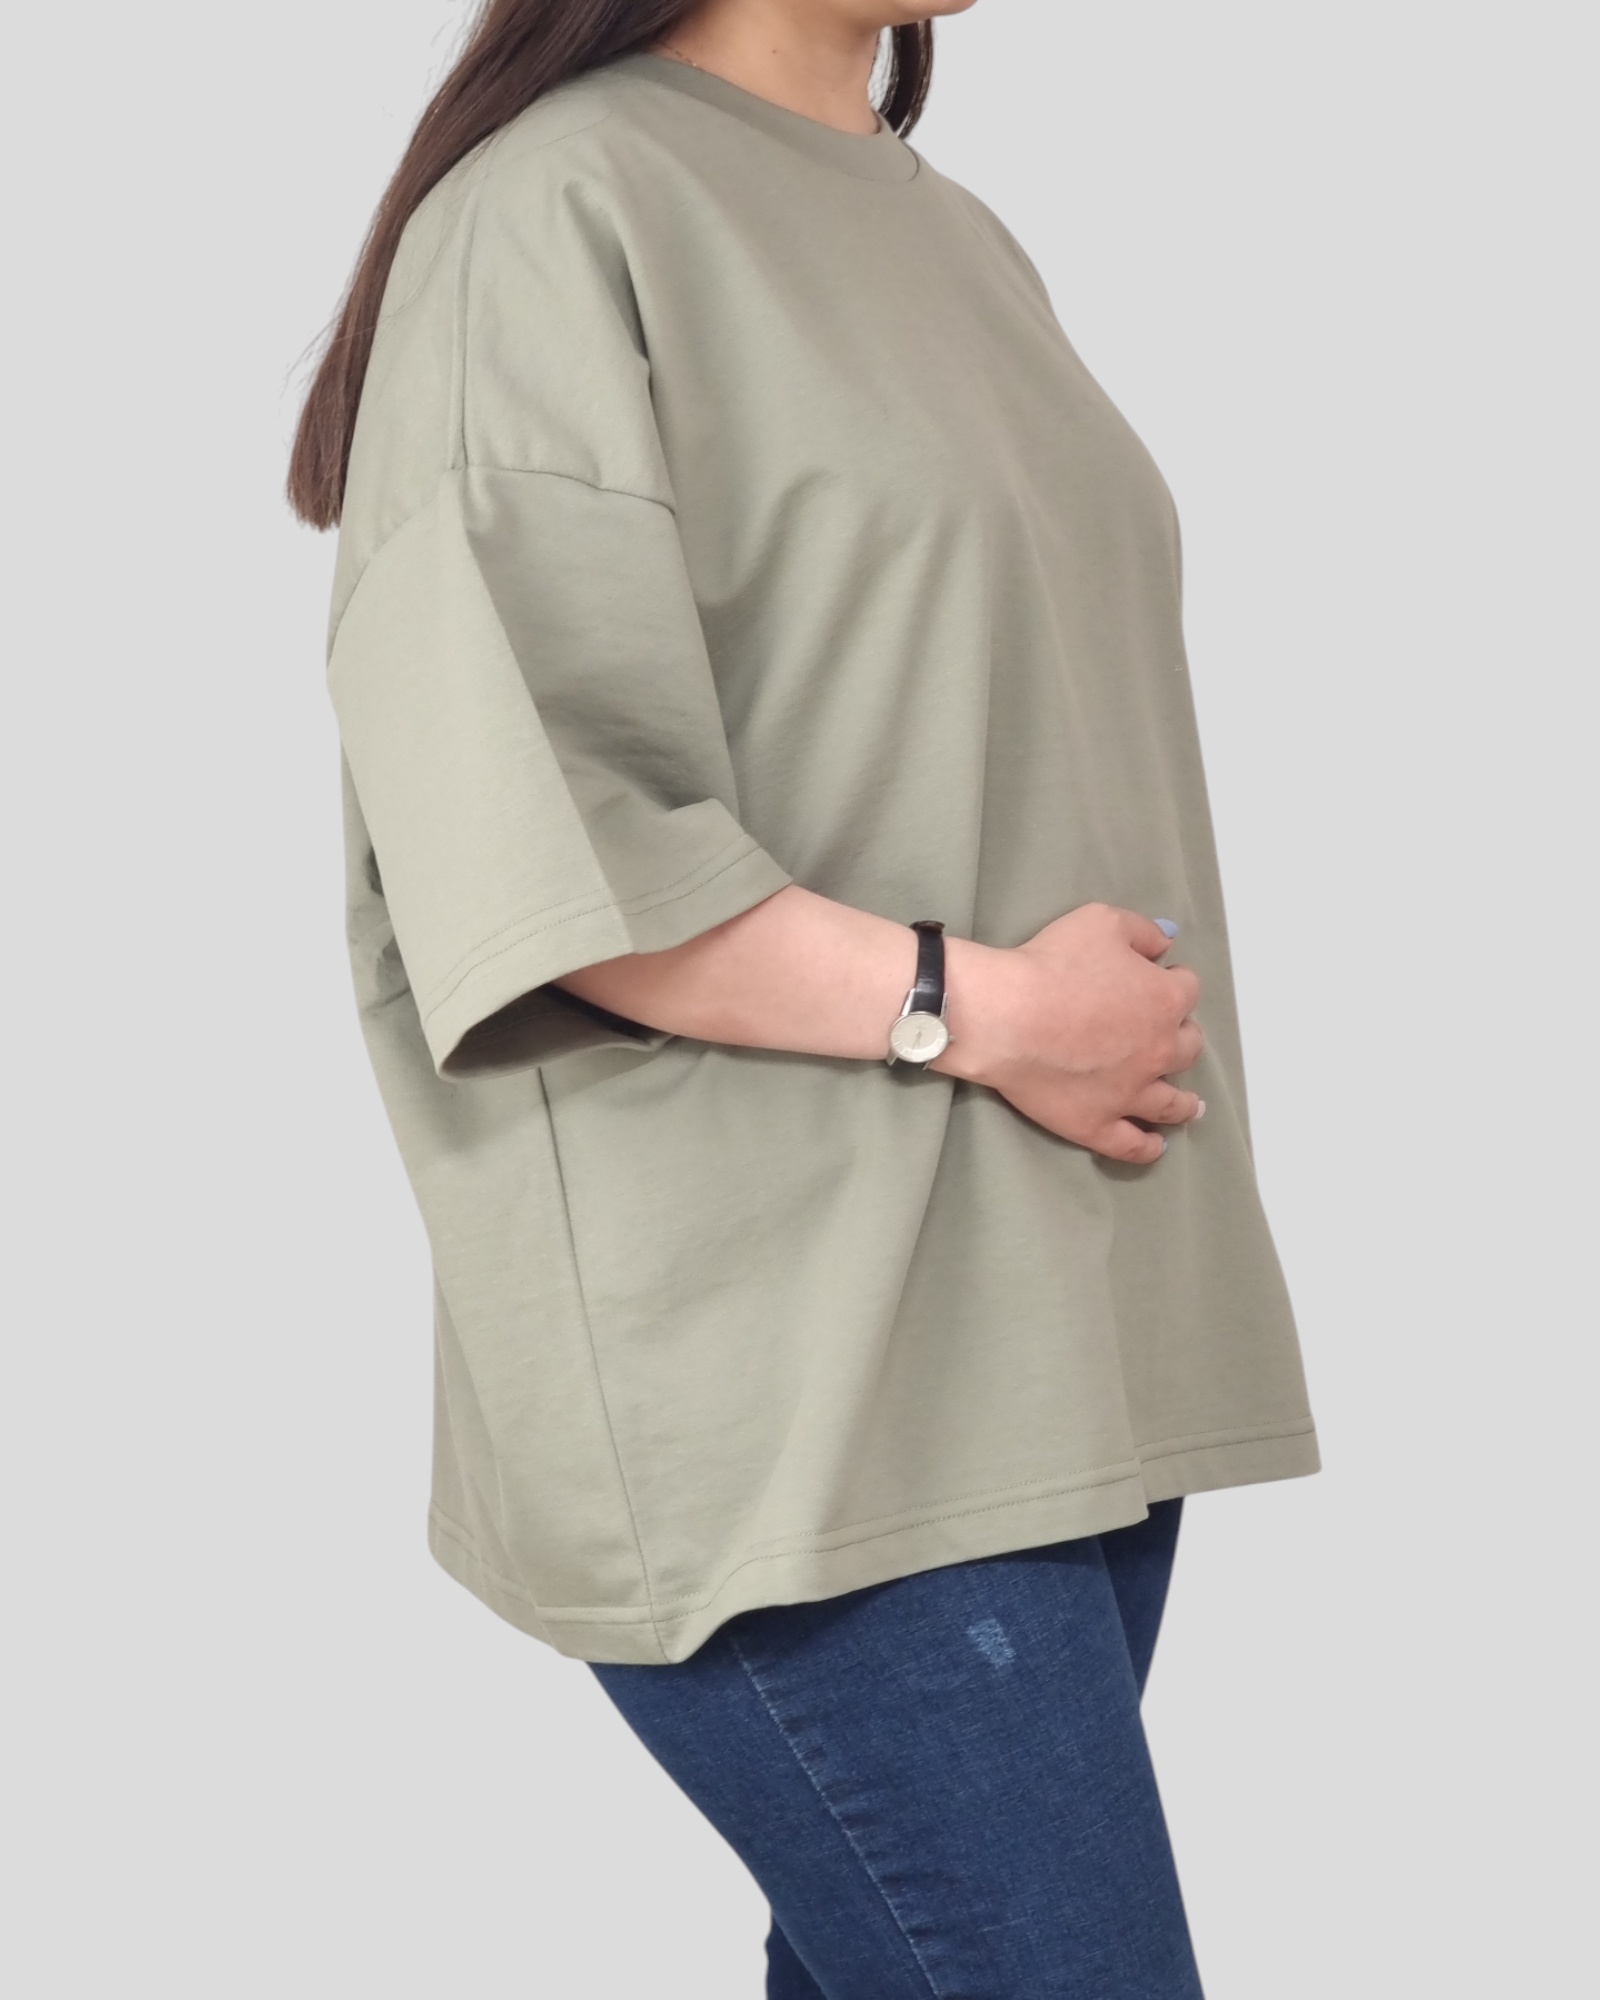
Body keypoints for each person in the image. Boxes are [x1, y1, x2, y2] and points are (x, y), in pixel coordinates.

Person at [290, 2, 1319, 1991]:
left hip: (1051, 1339)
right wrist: (978, 1006)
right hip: (799, 1376)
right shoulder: (554, 212)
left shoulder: (947, 230)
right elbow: (527, 839)